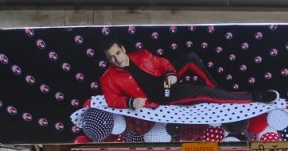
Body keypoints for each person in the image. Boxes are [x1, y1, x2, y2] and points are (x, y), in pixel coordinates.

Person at [100, 39, 276, 110]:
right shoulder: (108, 78)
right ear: (108, 60)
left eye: (118, 53)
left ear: (123, 49)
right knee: (204, 92)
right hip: (162, 97)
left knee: (190, 57)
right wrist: (130, 102)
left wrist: (170, 73)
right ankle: (255, 96)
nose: (117, 59)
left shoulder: (142, 55)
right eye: (111, 57)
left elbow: (162, 63)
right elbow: (111, 100)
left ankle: (218, 90)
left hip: (166, 82)